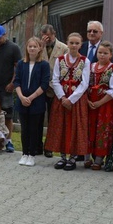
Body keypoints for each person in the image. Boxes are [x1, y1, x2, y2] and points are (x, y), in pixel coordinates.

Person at [45, 32, 90, 170]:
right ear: (67, 43)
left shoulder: (85, 61)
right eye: (72, 43)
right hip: (62, 98)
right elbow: (55, 79)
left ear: (81, 45)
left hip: (76, 100)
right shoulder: (60, 59)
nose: (74, 46)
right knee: (61, 126)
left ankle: (73, 158)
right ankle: (63, 156)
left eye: (77, 43)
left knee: (75, 127)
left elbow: (84, 83)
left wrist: (71, 99)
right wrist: (62, 97)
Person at [13, 37, 51, 166]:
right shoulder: (21, 63)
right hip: (22, 100)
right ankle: (24, 153)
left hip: (36, 101)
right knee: (25, 129)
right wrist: (22, 97)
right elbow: (16, 81)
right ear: (27, 48)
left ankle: (32, 154)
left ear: (40, 48)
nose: (32, 48)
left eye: (35, 46)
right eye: (30, 46)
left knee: (34, 129)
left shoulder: (44, 65)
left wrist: (31, 97)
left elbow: (44, 84)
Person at [85, 41, 113, 170]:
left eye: (105, 53)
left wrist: (99, 102)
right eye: (100, 52)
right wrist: (88, 101)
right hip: (89, 104)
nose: (102, 55)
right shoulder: (91, 66)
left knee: (102, 130)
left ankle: (99, 159)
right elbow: (84, 84)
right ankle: (86, 157)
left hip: (105, 105)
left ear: (110, 54)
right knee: (88, 129)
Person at [39, 24, 69, 157]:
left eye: (49, 37)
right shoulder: (38, 46)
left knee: (52, 119)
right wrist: (41, 46)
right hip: (40, 88)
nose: (47, 39)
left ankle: (49, 146)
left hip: (54, 88)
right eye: (44, 37)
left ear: (54, 34)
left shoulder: (63, 48)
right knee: (38, 118)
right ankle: (37, 145)